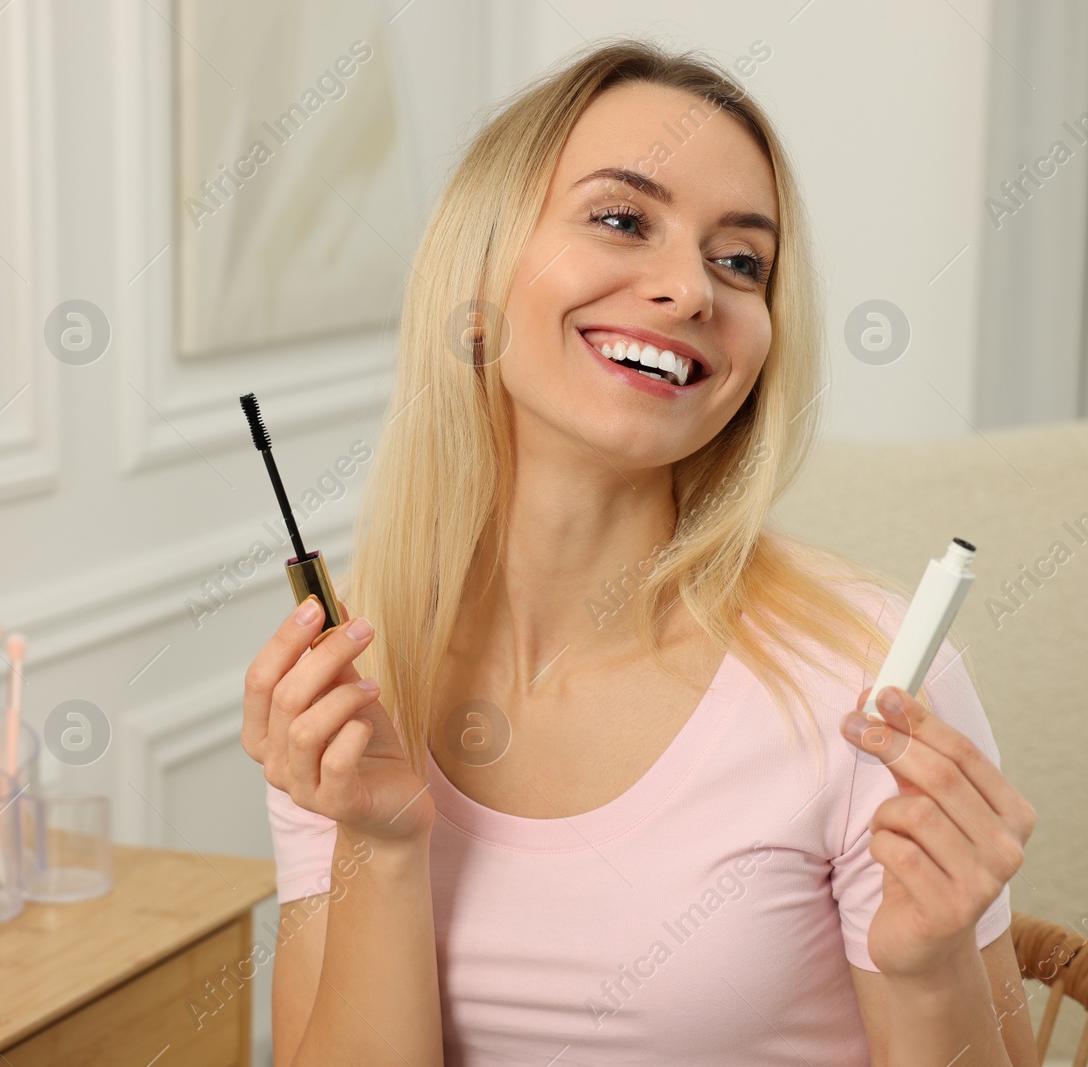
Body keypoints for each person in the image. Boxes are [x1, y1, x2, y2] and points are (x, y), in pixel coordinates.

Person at [242, 37, 1038, 1067]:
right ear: (480, 270)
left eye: (739, 260)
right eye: (622, 219)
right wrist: (383, 846)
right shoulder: (354, 680)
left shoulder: (872, 678)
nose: (689, 289)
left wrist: (933, 975)